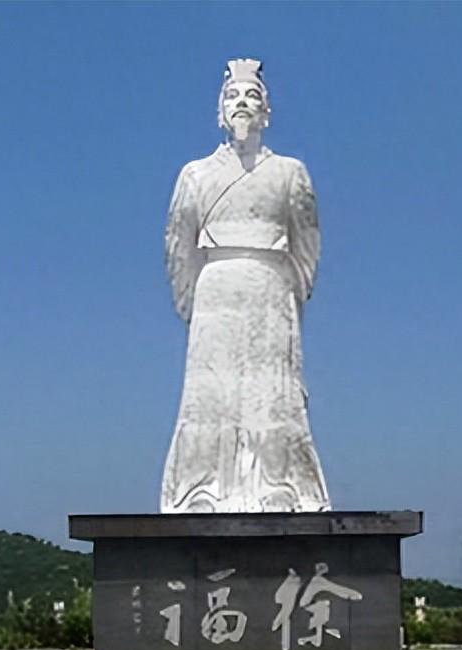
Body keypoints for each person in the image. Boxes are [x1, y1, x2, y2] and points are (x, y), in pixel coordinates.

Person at [161, 59, 330, 514]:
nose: (242, 104)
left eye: (252, 96)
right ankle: (200, 488)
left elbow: (307, 242)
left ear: (267, 112)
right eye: (233, 97)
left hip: (270, 285)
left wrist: (288, 292)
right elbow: (179, 244)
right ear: (219, 111)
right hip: (216, 288)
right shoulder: (195, 175)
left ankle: (281, 485)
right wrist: (192, 300)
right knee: (210, 391)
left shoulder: (290, 172)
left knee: (271, 389)